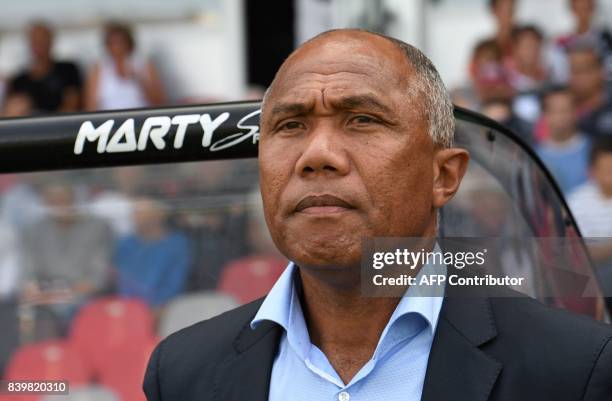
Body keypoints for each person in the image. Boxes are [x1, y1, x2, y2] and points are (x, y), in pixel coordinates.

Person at [143, 29, 612, 401]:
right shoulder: (183, 374)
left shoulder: (573, 370)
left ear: (444, 176)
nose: (317, 154)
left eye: (362, 120)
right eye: (290, 125)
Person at [114, 198, 191, 308]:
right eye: (134, 210)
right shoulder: (125, 244)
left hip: (166, 309)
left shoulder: (177, 244)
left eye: (142, 210)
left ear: (160, 213)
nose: (136, 215)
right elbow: (121, 281)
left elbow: (174, 284)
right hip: (128, 310)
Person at [84, 22, 165, 111]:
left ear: (129, 43)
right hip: (110, 119)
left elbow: (159, 101)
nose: (116, 47)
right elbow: (90, 105)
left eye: (120, 42)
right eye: (112, 43)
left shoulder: (144, 65)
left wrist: (139, 80)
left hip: (140, 117)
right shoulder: (99, 69)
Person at [7, 22, 81, 113]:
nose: (39, 45)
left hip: (62, 126)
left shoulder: (68, 70)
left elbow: (72, 104)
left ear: (51, 41)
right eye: (35, 41)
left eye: (42, 40)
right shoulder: (19, 81)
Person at [536, 86, 591, 194]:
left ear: (576, 112)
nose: (561, 116)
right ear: (544, 115)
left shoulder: (593, 150)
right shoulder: (534, 156)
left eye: (566, 110)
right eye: (554, 111)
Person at [568, 44, 612, 138]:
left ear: (600, 71)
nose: (577, 77)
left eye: (583, 70)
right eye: (573, 70)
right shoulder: (561, 105)